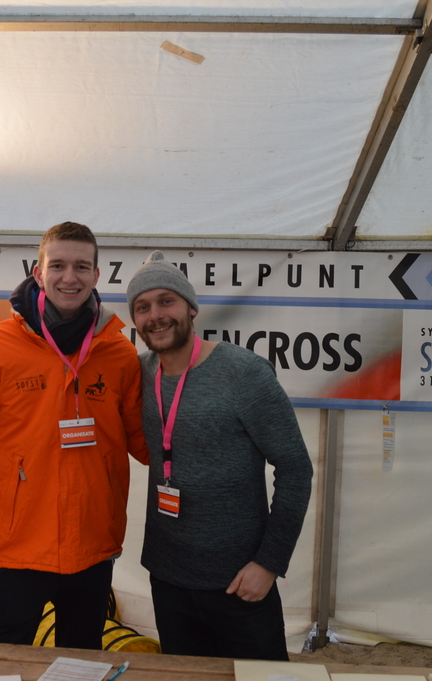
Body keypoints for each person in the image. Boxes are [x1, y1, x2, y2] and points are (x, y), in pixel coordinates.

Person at [0, 221, 148, 649]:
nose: (69, 277)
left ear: (97, 274)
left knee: (80, 668)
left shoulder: (119, 353)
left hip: (93, 548)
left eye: (81, 267)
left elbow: (144, 444)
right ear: (38, 273)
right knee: (0, 669)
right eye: (58, 266)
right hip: (15, 550)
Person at [126, 250, 313, 661]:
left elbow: (296, 468)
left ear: (191, 307)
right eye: (142, 307)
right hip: (168, 578)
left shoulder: (243, 374)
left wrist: (269, 564)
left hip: (240, 581)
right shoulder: (137, 374)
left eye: (166, 301)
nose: (155, 316)